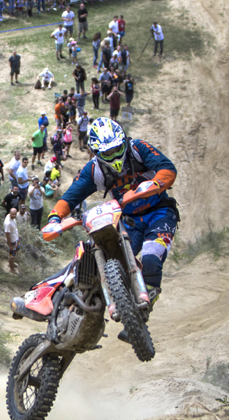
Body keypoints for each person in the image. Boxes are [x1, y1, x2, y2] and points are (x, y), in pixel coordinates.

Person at [48, 117, 178, 337]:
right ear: (97, 152)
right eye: (107, 153)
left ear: (123, 141)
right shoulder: (94, 170)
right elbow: (71, 196)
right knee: (114, 262)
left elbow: (167, 168)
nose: (114, 155)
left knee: (150, 257)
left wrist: (155, 184)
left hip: (159, 212)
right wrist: (54, 218)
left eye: (117, 149)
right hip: (128, 221)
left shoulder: (138, 149)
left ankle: (141, 315)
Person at [4, 208, 19, 272]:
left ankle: (11, 263)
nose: (14, 215)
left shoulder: (11, 217)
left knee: (15, 252)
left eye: (15, 214)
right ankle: (12, 269)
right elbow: (7, 235)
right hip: (12, 241)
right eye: (13, 214)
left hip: (16, 239)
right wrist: (10, 245)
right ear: (10, 213)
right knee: (12, 256)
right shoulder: (8, 223)